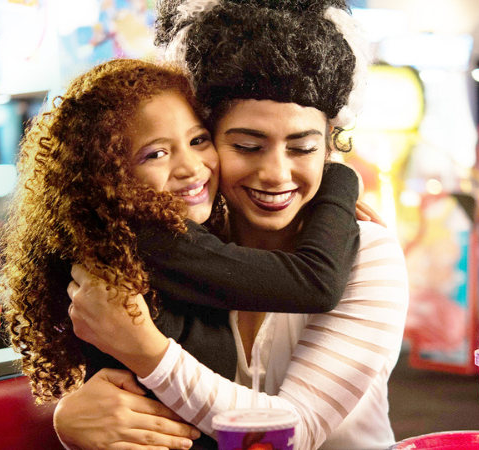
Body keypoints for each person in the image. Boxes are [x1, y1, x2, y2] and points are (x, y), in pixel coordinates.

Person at [58, 1, 409, 449]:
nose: (276, 174)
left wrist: (144, 350)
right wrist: (70, 418)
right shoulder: (185, 237)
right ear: (207, 138)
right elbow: (123, 405)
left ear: (328, 148)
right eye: (247, 145)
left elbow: (292, 433)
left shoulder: (368, 255)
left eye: (301, 148)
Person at [0, 58, 366, 449]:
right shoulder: (148, 237)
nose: (190, 167)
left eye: (198, 140)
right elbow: (316, 283)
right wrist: (339, 179)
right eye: (155, 154)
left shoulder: (173, 237)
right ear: (107, 175)